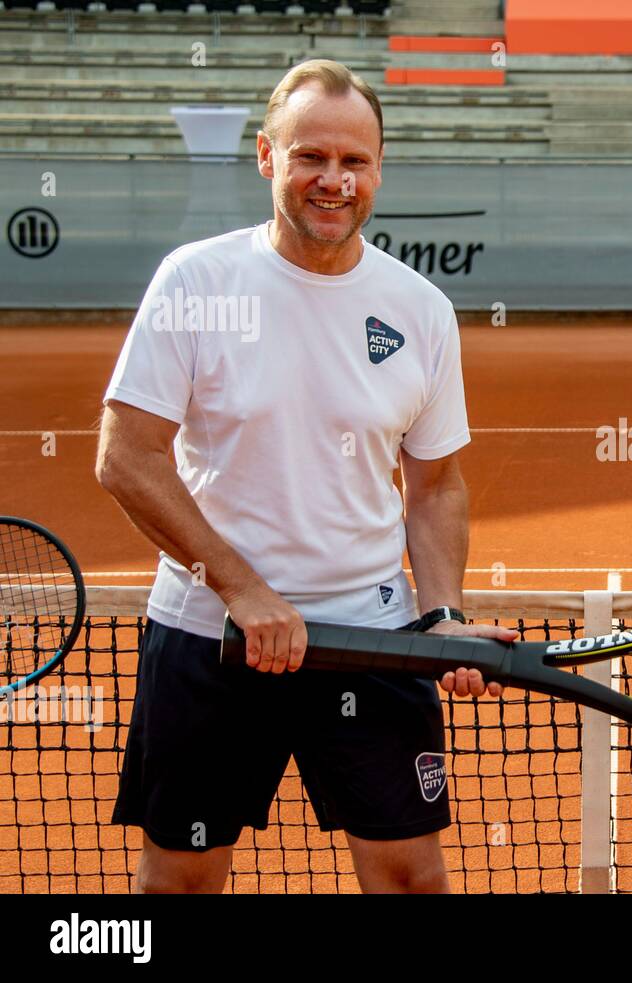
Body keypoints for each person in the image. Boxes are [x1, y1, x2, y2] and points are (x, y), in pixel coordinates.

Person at [96, 59, 513, 893]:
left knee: (410, 879)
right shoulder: (196, 282)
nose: (334, 180)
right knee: (179, 882)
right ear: (265, 157)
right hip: (209, 636)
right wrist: (244, 591)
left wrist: (440, 615)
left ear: (378, 169)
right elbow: (126, 456)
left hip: (371, 639)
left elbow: (434, 486)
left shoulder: (420, 308)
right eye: (311, 157)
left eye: (354, 161)